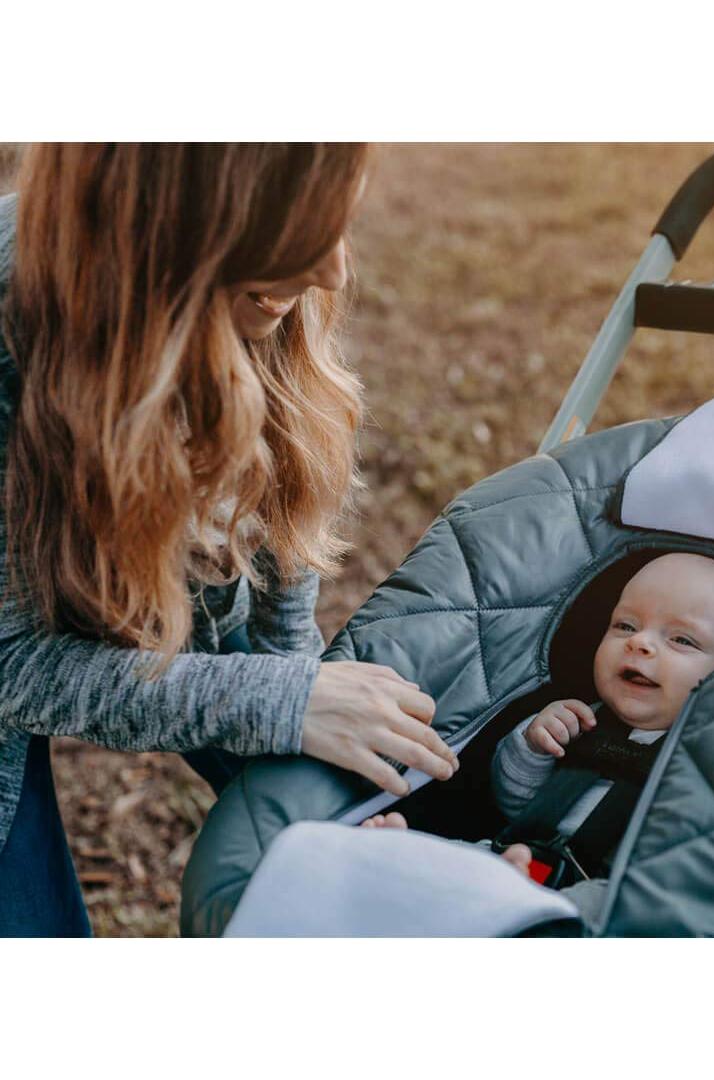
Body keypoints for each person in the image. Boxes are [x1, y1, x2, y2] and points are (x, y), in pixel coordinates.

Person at [0, 144, 458, 937]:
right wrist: (284, 703)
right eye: (300, 235)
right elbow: (14, 665)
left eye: (336, 223)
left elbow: (285, 499)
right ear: (172, 224)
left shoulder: (265, 278)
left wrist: (301, 715)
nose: (333, 273)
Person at [364, 552, 714, 899]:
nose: (640, 643)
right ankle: (402, 859)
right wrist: (532, 747)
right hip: (514, 854)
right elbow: (515, 803)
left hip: (601, 895)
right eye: (625, 625)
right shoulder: (584, 720)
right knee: (464, 858)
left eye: (682, 640)